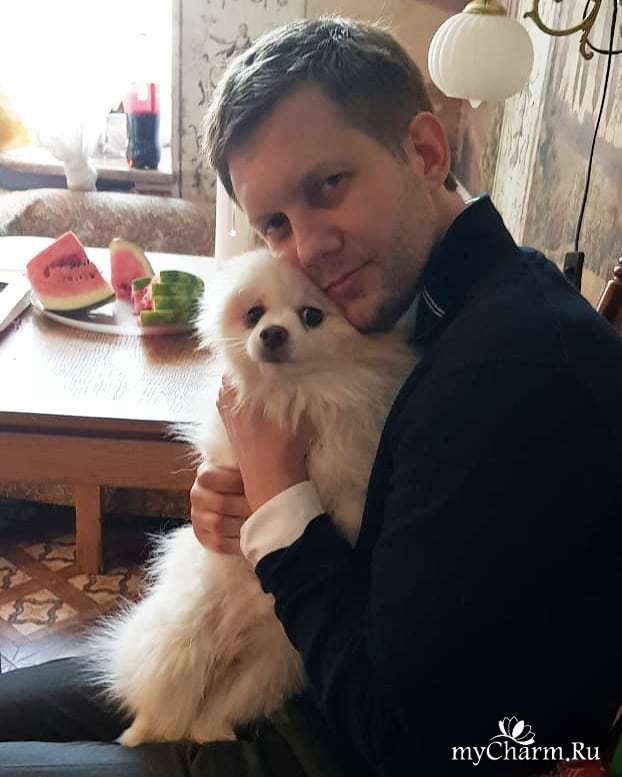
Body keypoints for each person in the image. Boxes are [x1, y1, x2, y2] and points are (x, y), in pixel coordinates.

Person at [1, 16, 621, 777]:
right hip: (285, 657)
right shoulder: (427, 305)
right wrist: (237, 504)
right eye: (275, 223)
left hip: (329, 739)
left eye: (329, 185)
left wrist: (281, 503)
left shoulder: (514, 370)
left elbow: (402, 736)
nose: (309, 248)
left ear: (427, 152)